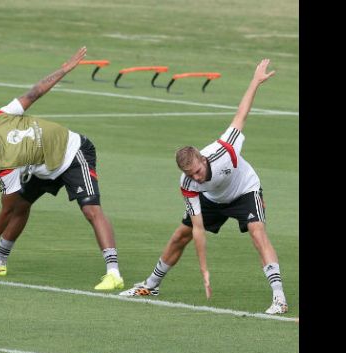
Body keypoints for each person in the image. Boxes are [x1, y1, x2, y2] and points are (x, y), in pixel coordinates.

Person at [119, 59, 288, 315]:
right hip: (213, 199)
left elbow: (241, 114)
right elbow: (198, 229)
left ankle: (279, 298)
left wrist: (255, 81)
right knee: (180, 235)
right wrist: (204, 269)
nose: (196, 177)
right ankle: (151, 285)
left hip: (244, 190)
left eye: (197, 171)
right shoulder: (189, 183)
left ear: (202, 158)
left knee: (257, 232)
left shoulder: (224, 150)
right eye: (190, 174)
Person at [0, 46, 124, 291]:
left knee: (91, 210)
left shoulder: (5, 164)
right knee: (22, 206)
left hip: (72, 153)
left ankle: (114, 273)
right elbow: (34, 93)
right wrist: (63, 69)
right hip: (41, 164)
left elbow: (5, 211)